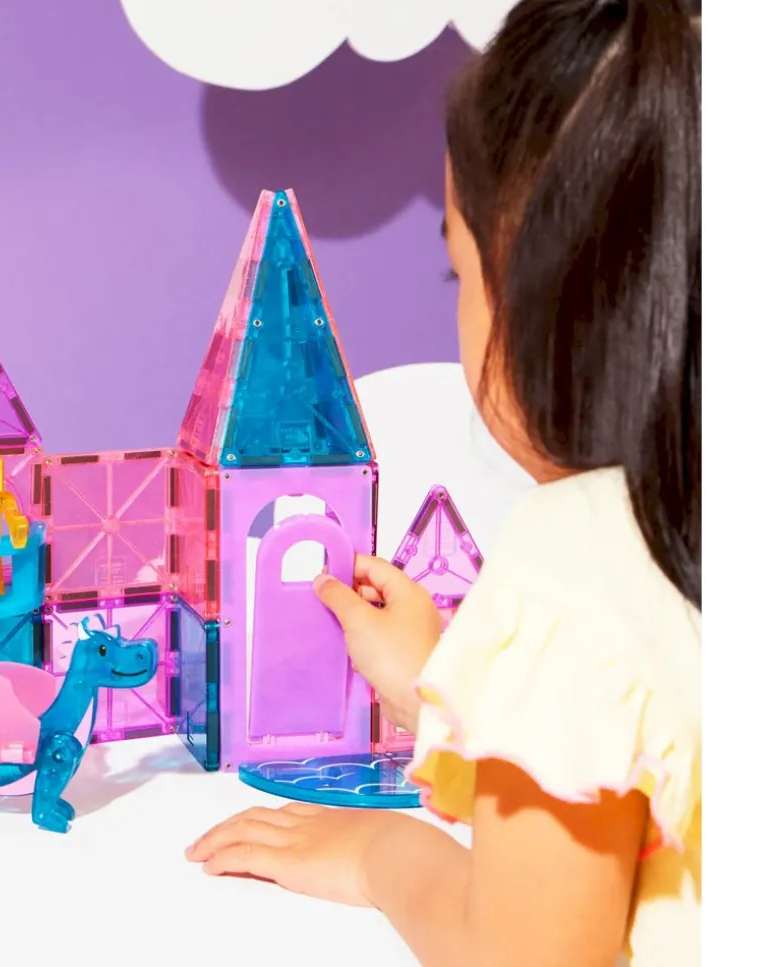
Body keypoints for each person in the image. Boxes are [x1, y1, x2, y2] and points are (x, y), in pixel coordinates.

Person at [185, 1, 701, 964]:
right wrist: (443, 701)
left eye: (461, 272)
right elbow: (651, 754)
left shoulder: (576, 556)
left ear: (551, 303)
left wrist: (384, 853)